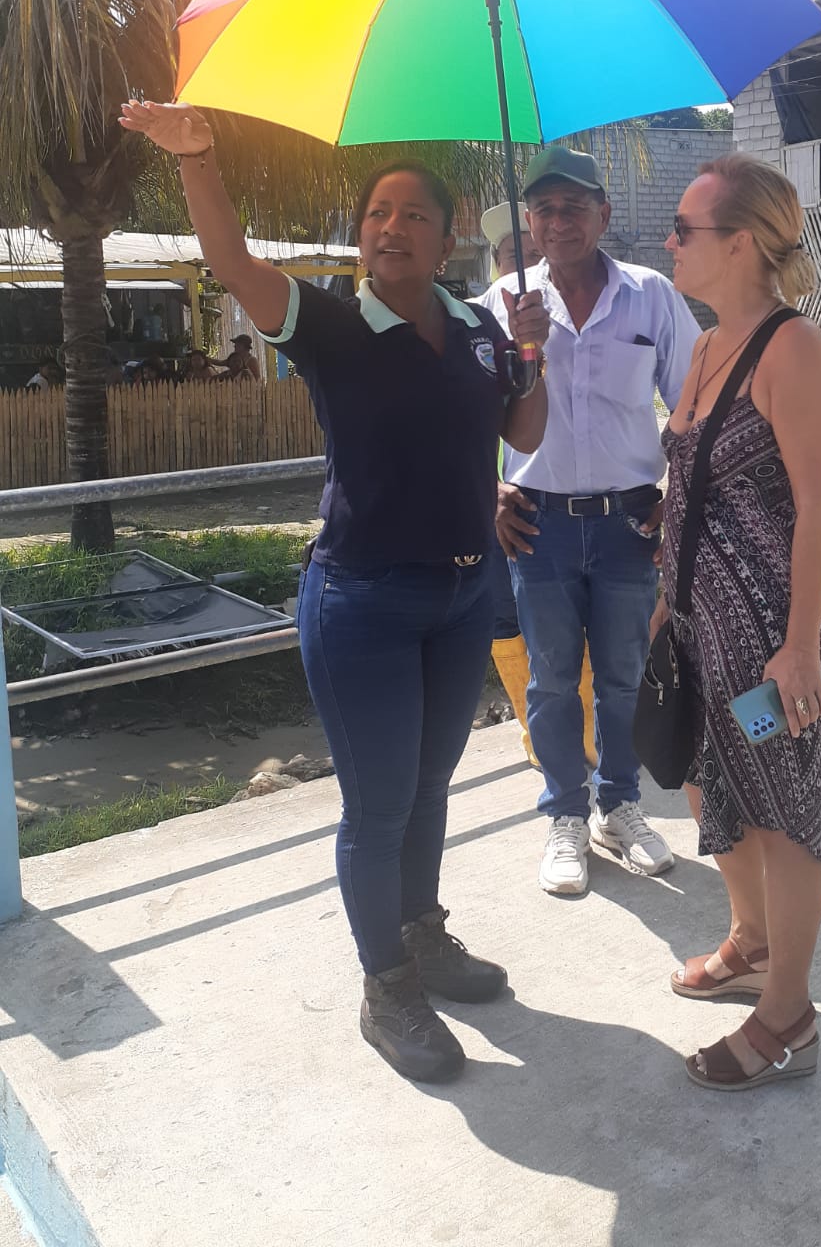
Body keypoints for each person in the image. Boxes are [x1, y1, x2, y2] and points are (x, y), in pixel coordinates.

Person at [118, 96, 550, 1086]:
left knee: (430, 788)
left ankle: (423, 933)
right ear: (362, 236)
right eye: (376, 214)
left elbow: (524, 433)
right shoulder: (332, 324)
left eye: (412, 213)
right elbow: (234, 265)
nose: (391, 226)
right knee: (380, 803)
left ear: (447, 235)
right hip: (364, 601)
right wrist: (197, 157)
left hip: (464, 596)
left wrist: (534, 353)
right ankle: (386, 986)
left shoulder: (481, 327)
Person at [657, 152, 821, 1092]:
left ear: (738, 244)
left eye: (683, 229)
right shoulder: (703, 348)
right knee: (706, 786)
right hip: (700, 627)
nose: (669, 243)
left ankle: (789, 1018)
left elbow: (818, 505)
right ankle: (752, 941)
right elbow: (688, 486)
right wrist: (666, 600)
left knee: (783, 811)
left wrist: (801, 648)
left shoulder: (791, 348)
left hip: (772, 640)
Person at [481, 145, 700, 896]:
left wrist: (680, 493)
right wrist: (487, 486)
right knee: (550, 681)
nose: (559, 221)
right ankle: (565, 817)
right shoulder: (501, 302)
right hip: (536, 524)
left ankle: (619, 806)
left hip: (628, 522)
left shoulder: (650, 296)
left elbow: (695, 402)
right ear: (529, 222)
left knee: (623, 675)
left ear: (603, 214)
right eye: (544, 209)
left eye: (574, 206)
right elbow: (461, 411)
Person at [478, 202, 597, 773]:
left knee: (580, 627)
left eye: (532, 256)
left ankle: (589, 740)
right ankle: (540, 741)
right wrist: (489, 488)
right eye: (510, 257)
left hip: (573, 504)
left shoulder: (580, 309)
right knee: (506, 622)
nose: (522, 269)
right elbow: (454, 421)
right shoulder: (476, 320)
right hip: (504, 503)